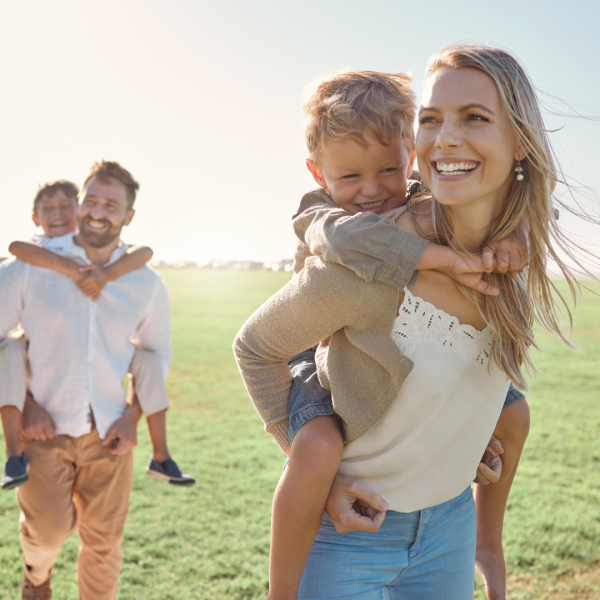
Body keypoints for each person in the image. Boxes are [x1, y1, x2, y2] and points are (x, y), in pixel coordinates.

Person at [234, 44, 594, 599]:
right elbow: (256, 346)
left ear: (521, 141)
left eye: (474, 117)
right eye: (433, 119)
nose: (446, 137)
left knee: (514, 412)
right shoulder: (358, 263)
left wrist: (457, 446)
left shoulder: (512, 254)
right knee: (317, 446)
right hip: (352, 530)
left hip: (449, 524)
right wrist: (314, 468)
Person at [0, 161, 172, 598]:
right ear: (79, 205)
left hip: (111, 433)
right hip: (43, 430)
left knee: (103, 546)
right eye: (91, 200)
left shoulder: (145, 283)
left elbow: (155, 353)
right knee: (48, 535)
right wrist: (27, 406)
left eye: (111, 205)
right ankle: (36, 575)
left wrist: (133, 417)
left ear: (128, 216)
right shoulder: (28, 269)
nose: (98, 212)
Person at [0, 176, 194, 491]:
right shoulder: (35, 258)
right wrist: (73, 271)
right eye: (48, 208)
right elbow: (17, 248)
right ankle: (13, 455)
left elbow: (143, 252)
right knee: (9, 350)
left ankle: (162, 455)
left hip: (106, 424)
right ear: (36, 218)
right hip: (43, 410)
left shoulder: (105, 255)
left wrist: (104, 275)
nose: (58, 213)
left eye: (66, 205)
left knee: (149, 359)